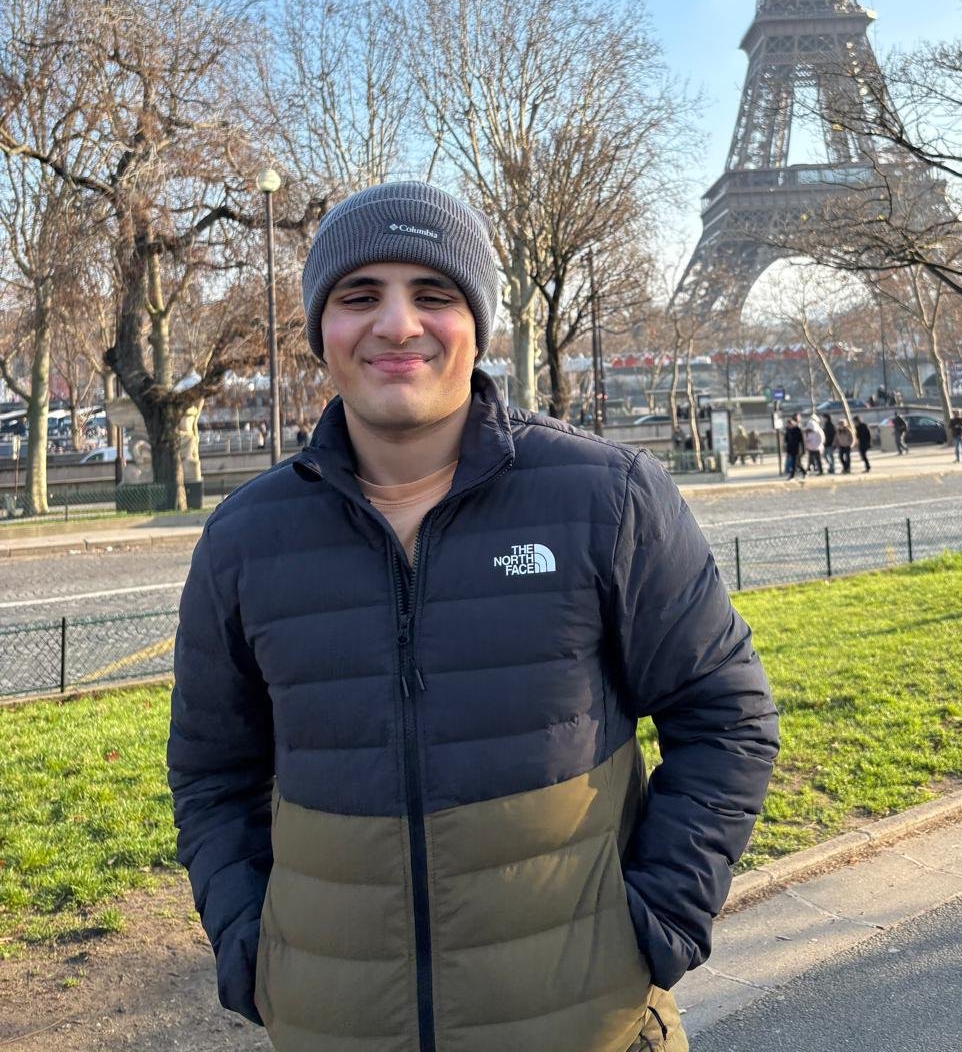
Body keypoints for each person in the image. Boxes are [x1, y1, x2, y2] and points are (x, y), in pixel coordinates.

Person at [168, 182, 780, 1051]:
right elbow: (211, 775)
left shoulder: (608, 499)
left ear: (477, 321)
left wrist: (655, 925)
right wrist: (252, 948)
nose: (396, 324)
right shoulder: (242, 539)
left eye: (433, 294)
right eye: (359, 296)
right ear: (321, 329)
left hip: (587, 1027)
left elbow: (727, 719)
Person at [783, 414, 802, 479]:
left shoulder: (797, 429)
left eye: (790, 424)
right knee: (795, 463)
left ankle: (792, 475)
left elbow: (801, 440)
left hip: (796, 448)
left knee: (795, 463)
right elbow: (786, 440)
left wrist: (802, 449)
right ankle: (803, 472)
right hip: (791, 448)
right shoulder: (788, 431)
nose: (789, 425)